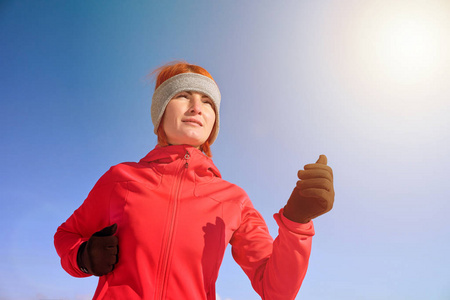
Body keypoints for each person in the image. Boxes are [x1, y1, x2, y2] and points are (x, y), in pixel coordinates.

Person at [54, 62, 334, 300]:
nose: (197, 107)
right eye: (183, 96)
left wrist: (297, 223)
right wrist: (83, 257)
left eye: (208, 101)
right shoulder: (120, 178)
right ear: (161, 112)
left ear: (214, 122)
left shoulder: (233, 199)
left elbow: (276, 289)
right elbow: (66, 235)